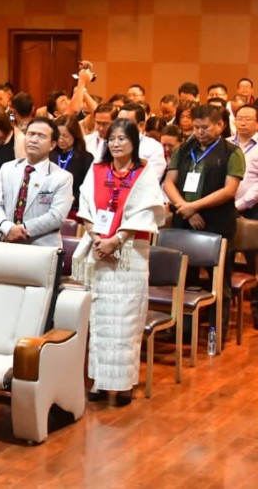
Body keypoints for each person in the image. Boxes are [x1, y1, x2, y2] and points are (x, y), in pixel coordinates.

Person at [73, 118, 164, 407]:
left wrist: (117, 239)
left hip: (130, 253)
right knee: (99, 319)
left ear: (134, 142)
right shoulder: (97, 169)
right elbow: (85, 205)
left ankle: (123, 385)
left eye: (122, 138)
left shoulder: (144, 171)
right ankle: (100, 380)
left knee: (125, 321)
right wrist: (98, 237)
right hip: (99, 249)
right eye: (111, 138)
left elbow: (147, 211)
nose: (115, 143)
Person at [164, 104, 243, 335]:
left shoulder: (232, 152)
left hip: (217, 223)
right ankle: (182, 330)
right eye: (196, 128)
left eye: (205, 127)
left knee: (219, 280)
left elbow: (229, 190)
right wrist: (184, 208)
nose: (199, 132)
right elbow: (169, 182)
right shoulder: (184, 149)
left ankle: (217, 331)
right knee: (184, 278)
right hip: (184, 220)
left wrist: (194, 207)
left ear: (220, 125)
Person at [0, 118, 73, 247]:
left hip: (41, 247)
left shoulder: (62, 177)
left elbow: (56, 216)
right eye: (30, 134)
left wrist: (20, 230)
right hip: (4, 242)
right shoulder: (6, 169)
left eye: (41, 136)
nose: (34, 140)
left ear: (52, 144)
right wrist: (7, 228)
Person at [53, 115, 94, 218]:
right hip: (51, 207)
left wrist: (73, 198)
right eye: (58, 136)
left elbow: (88, 188)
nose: (61, 140)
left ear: (75, 135)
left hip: (73, 210)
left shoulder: (85, 158)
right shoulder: (51, 155)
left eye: (65, 136)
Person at [116, 103, 167, 183]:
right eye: (118, 122)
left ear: (141, 125)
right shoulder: (108, 144)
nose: (120, 126)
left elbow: (153, 178)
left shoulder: (154, 147)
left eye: (126, 123)